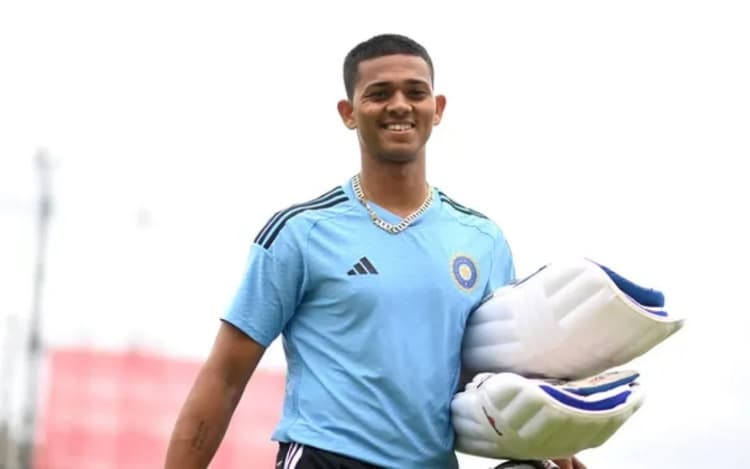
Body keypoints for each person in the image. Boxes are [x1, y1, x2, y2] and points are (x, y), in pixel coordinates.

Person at [164, 33, 586, 469]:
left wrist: (547, 442)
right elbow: (225, 377)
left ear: (437, 108)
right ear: (348, 113)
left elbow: (495, 374)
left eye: (415, 92)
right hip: (324, 459)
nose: (399, 105)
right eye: (379, 94)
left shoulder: (482, 241)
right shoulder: (301, 233)